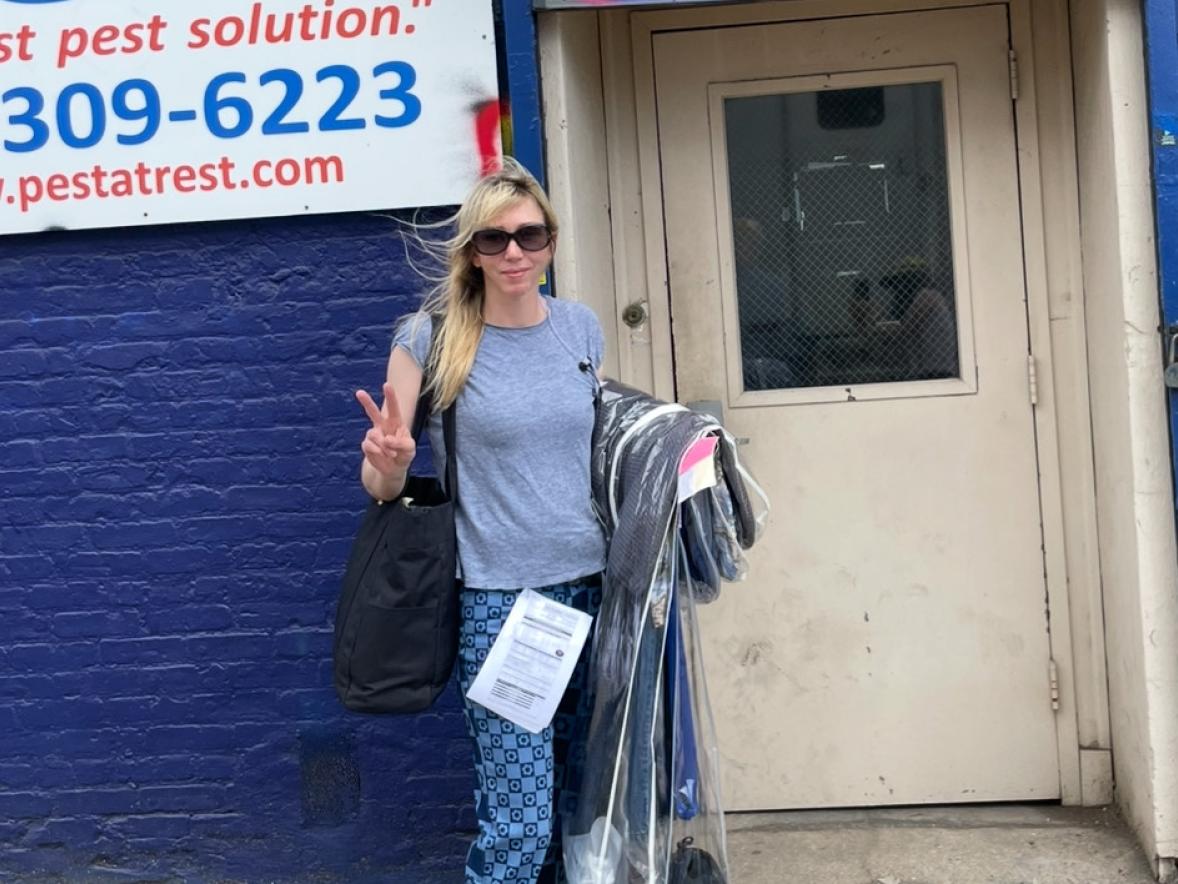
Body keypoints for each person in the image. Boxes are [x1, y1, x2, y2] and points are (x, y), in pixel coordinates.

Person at [354, 158, 606, 884]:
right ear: (471, 252)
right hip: (502, 606)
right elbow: (378, 483)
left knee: (581, 811)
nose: (515, 253)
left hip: (593, 594)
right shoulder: (430, 338)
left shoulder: (582, 330)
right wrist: (392, 460)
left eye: (530, 235)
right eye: (493, 241)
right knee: (520, 826)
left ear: (552, 241)